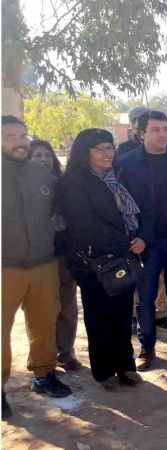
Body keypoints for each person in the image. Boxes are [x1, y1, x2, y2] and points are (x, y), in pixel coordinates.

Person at [58, 129, 144, 389]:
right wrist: (125, 242)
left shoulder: (119, 176)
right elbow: (84, 226)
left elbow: (139, 210)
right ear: (85, 152)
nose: (107, 153)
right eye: (99, 148)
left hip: (122, 256)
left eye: (110, 147)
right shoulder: (73, 182)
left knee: (121, 314)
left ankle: (125, 366)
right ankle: (104, 369)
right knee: (99, 316)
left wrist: (140, 238)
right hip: (92, 261)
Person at [115, 110, 167, 369]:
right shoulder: (125, 164)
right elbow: (120, 208)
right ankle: (147, 347)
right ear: (141, 134)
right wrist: (134, 238)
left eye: (165, 128)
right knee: (146, 298)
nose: (162, 134)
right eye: (155, 129)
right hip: (145, 244)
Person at [2, 115, 72, 418]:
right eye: (10, 136)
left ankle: (44, 375)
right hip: (4, 267)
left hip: (44, 264)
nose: (19, 142)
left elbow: (59, 216)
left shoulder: (42, 175)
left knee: (44, 325)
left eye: (23, 135)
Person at [28, 140, 82, 371]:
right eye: (37, 155)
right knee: (41, 309)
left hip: (62, 256)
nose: (43, 159)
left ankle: (65, 352)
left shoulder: (62, 185)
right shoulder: (21, 186)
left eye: (47, 155)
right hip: (36, 258)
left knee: (67, 306)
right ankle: (42, 357)